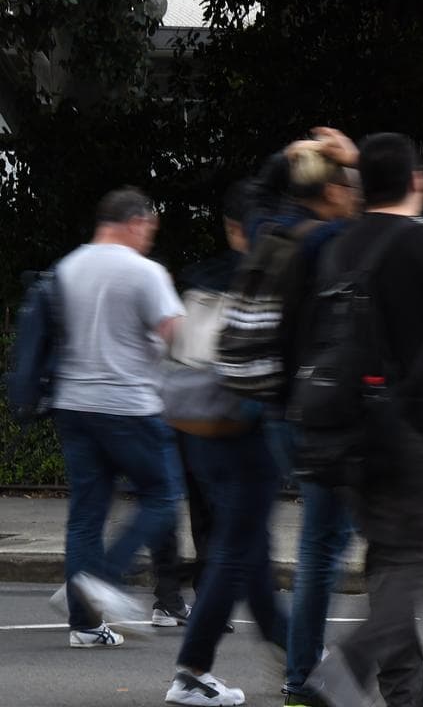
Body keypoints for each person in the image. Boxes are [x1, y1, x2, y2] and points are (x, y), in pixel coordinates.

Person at [303, 132, 423, 707]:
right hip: (414, 434)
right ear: (418, 180)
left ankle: (408, 695)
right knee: (407, 568)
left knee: (388, 564)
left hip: (348, 434)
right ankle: (348, 666)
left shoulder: (339, 245)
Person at [162, 182, 291, 706]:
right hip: (246, 428)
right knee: (238, 551)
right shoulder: (262, 278)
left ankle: (295, 656)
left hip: (198, 428)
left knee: (251, 551)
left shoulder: (203, 277)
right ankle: (192, 670)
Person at [47, 187, 184, 648]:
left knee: (86, 515)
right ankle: (105, 576)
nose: (149, 239)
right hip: (128, 405)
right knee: (164, 494)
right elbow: (173, 336)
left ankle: (84, 626)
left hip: (73, 404)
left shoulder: (67, 267)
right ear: (135, 221)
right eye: (149, 229)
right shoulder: (145, 272)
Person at [275, 129, 366, 707]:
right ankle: (309, 673)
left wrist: (291, 161)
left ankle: (298, 672)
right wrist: (355, 160)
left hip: (289, 406)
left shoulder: (278, 232)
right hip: (336, 410)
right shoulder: (336, 240)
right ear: (333, 190)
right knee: (340, 545)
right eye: (346, 183)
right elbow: (390, 225)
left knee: (320, 544)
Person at [150, 181, 256, 633]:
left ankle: (169, 598)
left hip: (176, 404)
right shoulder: (256, 278)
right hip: (219, 408)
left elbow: (170, 348)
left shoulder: (195, 278)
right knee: (214, 511)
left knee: (174, 504)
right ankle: (208, 600)